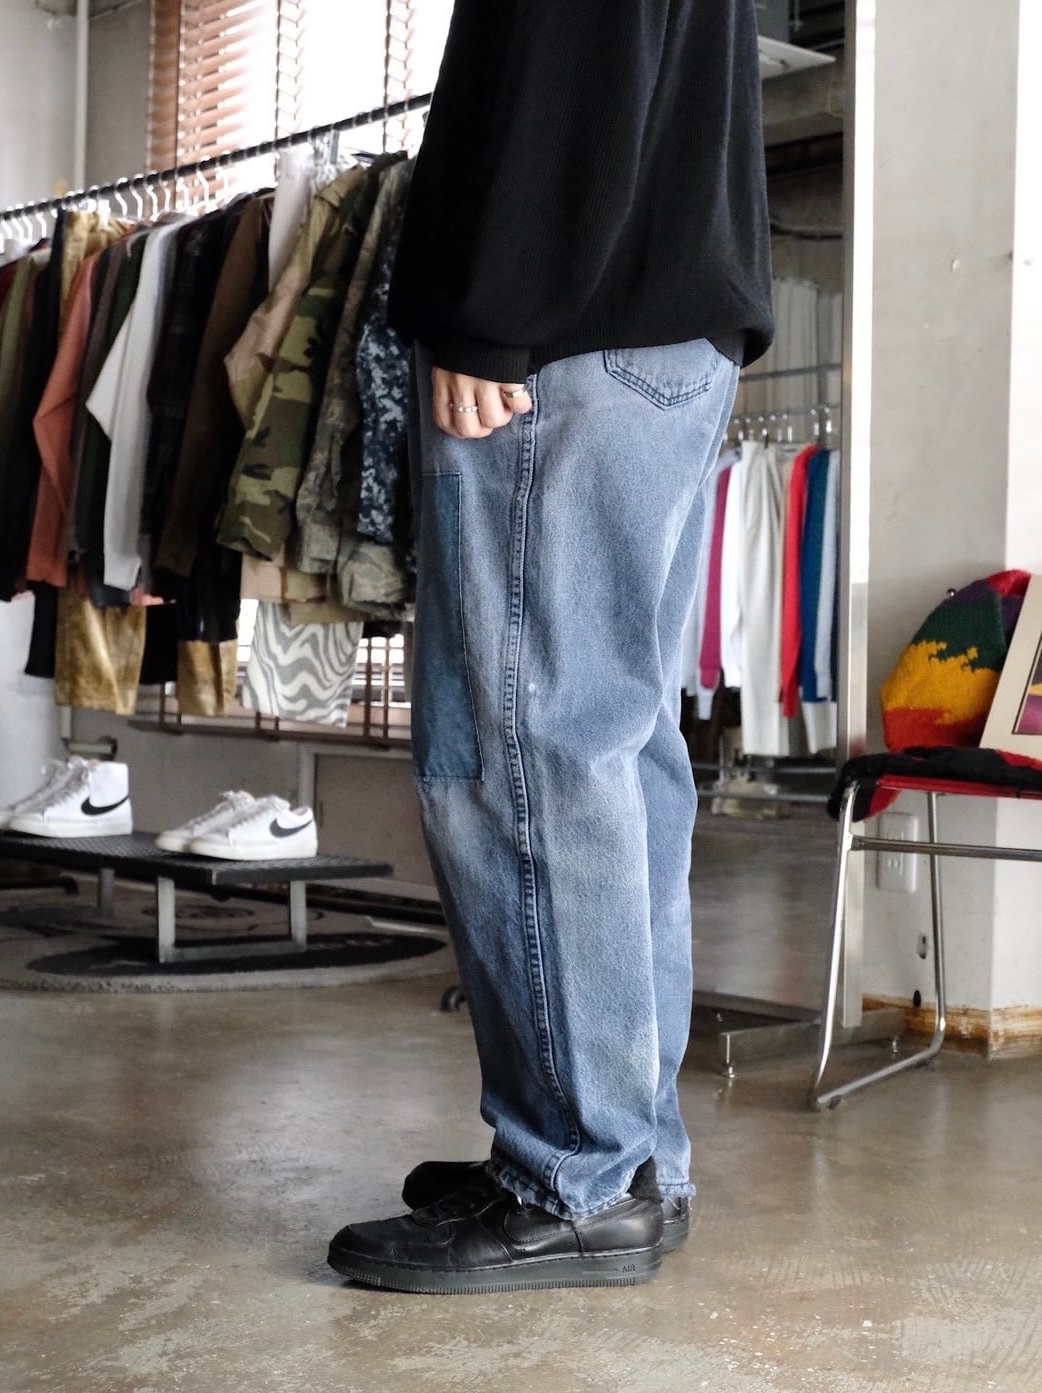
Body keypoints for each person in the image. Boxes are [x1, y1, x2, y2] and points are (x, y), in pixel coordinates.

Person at [328, 0, 774, 1295]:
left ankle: (572, 1176)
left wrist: (491, 308)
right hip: (660, 334)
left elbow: (568, 54)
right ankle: (629, 1160)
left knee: (523, 756)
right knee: (612, 757)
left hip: (561, 346)